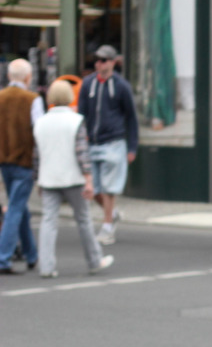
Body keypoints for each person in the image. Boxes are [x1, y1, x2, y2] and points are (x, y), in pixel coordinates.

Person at [34, 80, 113, 278]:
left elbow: (37, 155)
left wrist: (38, 179)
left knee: (48, 221)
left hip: (49, 178)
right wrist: (89, 179)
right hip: (73, 178)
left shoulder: (40, 122)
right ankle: (94, 261)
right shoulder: (76, 120)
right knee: (84, 220)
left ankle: (47, 266)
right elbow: (82, 153)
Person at [78, 44, 138, 246]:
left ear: (112, 62)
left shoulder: (121, 86)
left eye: (103, 60)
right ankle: (111, 214)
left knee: (109, 187)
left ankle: (107, 225)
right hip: (92, 142)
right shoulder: (88, 84)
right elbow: (82, 114)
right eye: (97, 60)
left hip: (114, 141)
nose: (99, 64)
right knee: (93, 188)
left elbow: (131, 117)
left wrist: (132, 147)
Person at [0, 58, 44, 275]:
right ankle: (3, 257)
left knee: (19, 207)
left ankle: (31, 254)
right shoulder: (32, 99)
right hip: (24, 161)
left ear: (9, 76)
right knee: (16, 209)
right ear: (28, 77)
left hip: (4, 161)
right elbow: (40, 131)